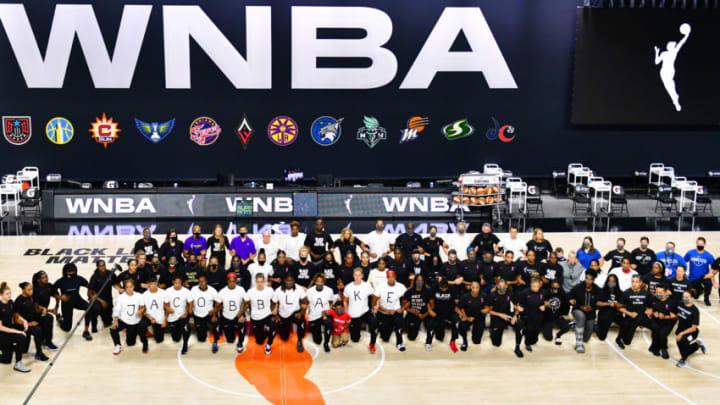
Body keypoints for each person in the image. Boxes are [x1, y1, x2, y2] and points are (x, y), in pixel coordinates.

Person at [54, 263, 97, 341]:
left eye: (73, 271)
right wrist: (60, 297)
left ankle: (86, 331)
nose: (71, 273)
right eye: (69, 271)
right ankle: (60, 319)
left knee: (90, 308)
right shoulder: (60, 281)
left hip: (77, 300)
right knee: (67, 328)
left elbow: (89, 286)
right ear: (65, 272)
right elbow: (52, 291)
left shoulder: (79, 279)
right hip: (66, 303)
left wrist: (91, 295)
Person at [343, 268, 379, 354]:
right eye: (355, 275)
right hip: (353, 314)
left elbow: (375, 296)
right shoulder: (348, 287)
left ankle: (372, 344)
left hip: (364, 312)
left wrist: (376, 306)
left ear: (362, 276)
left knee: (374, 322)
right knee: (355, 339)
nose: (357, 277)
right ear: (353, 276)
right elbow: (345, 301)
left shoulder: (366, 285)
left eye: (359, 275)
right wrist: (346, 314)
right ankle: (353, 334)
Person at [14, 282, 51, 361]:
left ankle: (44, 344)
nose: (31, 291)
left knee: (47, 318)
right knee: (36, 331)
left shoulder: (31, 297)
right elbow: (16, 319)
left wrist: (43, 308)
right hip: (22, 325)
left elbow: (35, 307)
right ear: (23, 290)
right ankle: (39, 353)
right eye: (29, 290)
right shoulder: (19, 301)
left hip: (31, 320)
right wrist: (29, 324)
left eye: (32, 289)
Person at [110, 279, 148, 355]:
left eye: (131, 287)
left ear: (133, 287)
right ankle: (117, 345)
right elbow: (116, 310)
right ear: (125, 288)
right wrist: (115, 320)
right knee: (113, 329)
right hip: (125, 321)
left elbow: (143, 307)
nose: (129, 289)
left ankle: (145, 343)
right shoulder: (121, 297)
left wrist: (141, 310)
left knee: (133, 340)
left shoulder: (139, 296)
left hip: (136, 321)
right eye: (127, 287)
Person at [513, 275, 548, 357]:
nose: (535, 288)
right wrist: (516, 312)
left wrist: (545, 306)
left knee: (534, 334)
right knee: (524, 329)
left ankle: (529, 342)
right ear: (530, 285)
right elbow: (517, 304)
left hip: (538, 315)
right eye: (533, 286)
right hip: (526, 315)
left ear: (540, 285)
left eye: (537, 286)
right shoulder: (525, 293)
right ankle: (520, 345)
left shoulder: (544, 292)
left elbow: (547, 302)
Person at [617, 274, 655, 349]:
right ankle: (619, 339)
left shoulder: (646, 293)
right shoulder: (626, 293)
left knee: (656, 327)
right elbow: (619, 307)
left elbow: (651, 306)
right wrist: (629, 313)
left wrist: (650, 310)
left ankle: (657, 345)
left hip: (642, 317)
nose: (634, 284)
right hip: (630, 317)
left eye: (636, 282)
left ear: (641, 282)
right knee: (627, 342)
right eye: (633, 282)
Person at [0, 282, 31, 372]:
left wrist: (24, 320)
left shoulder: (10, 302)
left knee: (7, 360)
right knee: (21, 337)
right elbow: (1, 327)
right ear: (1, 295)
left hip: (9, 332)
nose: (9, 295)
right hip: (2, 335)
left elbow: (15, 315)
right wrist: (18, 332)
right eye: (7, 294)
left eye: (10, 293)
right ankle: (18, 363)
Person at [568, 270, 601, 353]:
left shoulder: (597, 290)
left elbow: (600, 303)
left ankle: (581, 337)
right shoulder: (578, 287)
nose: (588, 281)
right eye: (586, 279)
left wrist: (592, 308)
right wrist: (577, 305)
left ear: (594, 280)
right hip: (578, 310)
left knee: (586, 338)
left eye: (590, 279)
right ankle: (579, 343)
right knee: (581, 317)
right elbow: (569, 298)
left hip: (591, 313)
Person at [374, 270, 407, 351]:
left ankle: (399, 343)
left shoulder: (401, 286)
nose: (391, 278)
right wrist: (387, 310)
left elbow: (407, 299)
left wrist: (402, 308)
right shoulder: (381, 287)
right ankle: (386, 331)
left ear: (395, 277)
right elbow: (375, 302)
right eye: (389, 277)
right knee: (385, 338)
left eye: (392, 277)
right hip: (384, 313)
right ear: (387, 277)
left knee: (399, 323)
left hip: (396, 312)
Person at [274, 274, 308, 353]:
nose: (289, 282)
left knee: (302, 321)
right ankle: (285, 329)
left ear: (294, 281)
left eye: (291, 281)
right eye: (287, 281)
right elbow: (275, 303)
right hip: (283, 314)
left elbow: (305, 301)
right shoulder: (278, 290)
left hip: (295, 313)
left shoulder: (299, 289)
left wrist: (301, 312)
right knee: (284, 337)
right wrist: (276, 315)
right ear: (284, 281)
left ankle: (299, 341)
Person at [215, 273, 248, 354]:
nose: (232, 283)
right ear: (227, 281)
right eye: (230, 281)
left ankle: (240, 343)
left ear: (236, 281)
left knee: (242, 323)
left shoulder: (241, 290)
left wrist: (241, 313)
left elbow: (247, 302)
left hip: (238, 316)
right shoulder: (222, 291)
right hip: (227, 317)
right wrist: (218, 313)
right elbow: (217, 305)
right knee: (230, 340)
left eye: (234, 281)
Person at [401, 274, 435, 351]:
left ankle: (428, 343)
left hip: (425, 313)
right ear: (415, 281)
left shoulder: (428, 291)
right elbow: (404, 306)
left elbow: (432, 306)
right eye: (418, 281)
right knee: (411, 337)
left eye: (421, 281)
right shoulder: (409, 292)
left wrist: (425, 314)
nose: (420, 282)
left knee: (432, 324)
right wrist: (414, 312)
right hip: (414, 313)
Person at [486, 278, 520, 353]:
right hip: (496, 316)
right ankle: (492, 331)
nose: (502, 288)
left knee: (518, 325)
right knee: (496, 344)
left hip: (507, 314)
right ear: (497, 286)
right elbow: (487, 310)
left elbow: (517, 305)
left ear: (507, 286)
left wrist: (515, 315)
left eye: (504, 287)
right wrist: (500, 315)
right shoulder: (492, 295)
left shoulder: (510, 293)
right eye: (500, 287)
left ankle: (517, 347)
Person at [246, 273, 278, 355]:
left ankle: (268, 344)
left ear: (264, 281)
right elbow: (245, 304)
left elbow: (276, 301)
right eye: (258, 282)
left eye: (261, 281)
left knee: (274, 325)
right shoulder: (250, 292)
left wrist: (275, 309)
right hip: (256, 317)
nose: (260, 284)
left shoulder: (269, 290)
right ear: (255, 282)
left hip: (267, 315)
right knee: (259, 341)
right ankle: (265, 331)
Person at [675, 291, 707, 368]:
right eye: (683, 297)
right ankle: (698, 344)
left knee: (683, 340)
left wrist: (681, 334)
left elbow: (694, 328)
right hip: (680, 329)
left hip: (691, 332)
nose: (684, 299)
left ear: (692, 298)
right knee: (683, 346)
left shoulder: (695, 311)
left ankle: (683, 359)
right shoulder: (680, 305)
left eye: (687, 297)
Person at [648, 281, 677, 359]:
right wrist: (653, 313)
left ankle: (664, 349)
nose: (658, 294)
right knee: (655, 329)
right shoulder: (653, 299)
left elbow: (675, 316)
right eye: (656, 292)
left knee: (662, 333)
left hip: (668, 321)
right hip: (655, 319)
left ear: (666, 292)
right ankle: (654, 347)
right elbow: (648, 308)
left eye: (660, 292)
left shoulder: (672, 302)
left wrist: (665, 317)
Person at [164, 275, 193, 354]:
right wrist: (168, 309)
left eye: (179, 283)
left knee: (185, 329)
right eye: (176, 283)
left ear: (181, 283)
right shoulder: (168, 291)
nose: (177, 285)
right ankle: (179, 332)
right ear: (173, 282)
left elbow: (190, 303)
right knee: (176, 339)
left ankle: (185, 344)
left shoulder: (186, 291)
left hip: (182, 316)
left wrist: (187, 312)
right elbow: (165, 304)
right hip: (172, 317)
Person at [306, 273, 334, 352]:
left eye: (321, 282)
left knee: (329, 324)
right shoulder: (310, 291)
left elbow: (331, 302)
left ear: (324, 282)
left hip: (325, 314)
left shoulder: (329, 290)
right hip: (314, 316)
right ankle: (319, 337)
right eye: (318, 281)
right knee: (317, 341)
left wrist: (329, 312)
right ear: (315, 281)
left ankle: (326, 343)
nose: (319, 283)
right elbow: (307, 303)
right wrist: (307, 314)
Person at [431, 278, 461, 352]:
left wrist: (460, 313)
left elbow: (457, 301)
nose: (444, 290)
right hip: (438, 312)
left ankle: (453, 341)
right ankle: (439, 340)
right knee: (439, 337)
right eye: (442, 288)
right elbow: (429, 300)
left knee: (456, 320)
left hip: (450, 311)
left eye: (445, 288)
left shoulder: (452, 288)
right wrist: (431, 311)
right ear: (439, 286)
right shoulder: (434, 287)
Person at [191, 274, 220, 350]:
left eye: (203, 281)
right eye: (199, 281)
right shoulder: (194, 289)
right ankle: (203, 329)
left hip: (208, 314)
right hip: (198, 314)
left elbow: (218, 303)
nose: (201, 283)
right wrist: (191, 308)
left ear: (206, 281)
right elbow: (190, 301)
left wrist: (214, 313)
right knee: (201, 339)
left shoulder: (212, 290)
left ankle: (215, 341)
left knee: (215, 324)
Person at [458, 279, 488, 351]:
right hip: (469, 316)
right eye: (473, 287)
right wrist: (466, 317)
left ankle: (474, 331)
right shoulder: (465, 296)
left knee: (476, 342)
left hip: (479, 317)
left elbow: (488, 306)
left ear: (479, 288)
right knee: (462, 325)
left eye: (477, 287)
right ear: (471, 287)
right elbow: (460, 307)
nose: (475, 289)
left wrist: (486, 310)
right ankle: (465, 341)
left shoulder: (484, 295)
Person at [685, 237, 716, 306]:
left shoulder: (708, 255)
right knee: (695, 296)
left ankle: (706, 298)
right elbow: (683, 262)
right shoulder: (690, 253)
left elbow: (715, 267)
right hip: (692, 277)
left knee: (708, 284)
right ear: (696, 244)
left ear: (704, 244)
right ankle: (700, 290)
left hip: (703, 276)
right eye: (698, 244)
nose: (700, 245)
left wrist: (711, 274)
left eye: (701, 244)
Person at [87, 260, 115, 329]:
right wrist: (101, 301)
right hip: (97, 298)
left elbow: (116, 282)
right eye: (100, 266)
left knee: (108, 322)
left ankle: (104, 316)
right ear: (97, 267)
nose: (102, 267)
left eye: (103, 265)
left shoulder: (110, 273)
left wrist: (121, 289)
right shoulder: (94, 277)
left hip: (108, 298)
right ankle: (94, 323)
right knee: (96, 309)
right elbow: (90, 292)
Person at [542, 280, 571, 345]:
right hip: (547, 317)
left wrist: (569, 303)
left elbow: (566, 304)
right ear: (551, 286)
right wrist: (544, 304)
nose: (555, 289)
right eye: (553, 287)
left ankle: (558, 335)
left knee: (567, 326)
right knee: (548, 338)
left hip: (557, 316)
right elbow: (539, 303)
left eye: (557, 287)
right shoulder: (546, 293)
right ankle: (543, 327)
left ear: (559, 287)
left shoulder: (562, 293)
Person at [596, 274, 624, 341]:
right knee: (602, 337)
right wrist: (608, 304)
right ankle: (595, 327)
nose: (611, 283)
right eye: (610, 281)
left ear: (616, 282)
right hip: (604, 313)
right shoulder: (601, 291)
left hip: (616, 313)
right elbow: (597, 303)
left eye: (613, 281)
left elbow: (623, 304)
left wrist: (617, 305)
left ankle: (620, 338)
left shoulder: (620, 292)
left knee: (626, 324)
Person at [142, 277, 166, 344]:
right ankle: (148, 329)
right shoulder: (144, 295)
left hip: (159, 318)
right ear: (148, 285)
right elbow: (142, 310)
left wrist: (165, 320)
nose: (153, 286)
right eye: (151, 284)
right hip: (149, 317)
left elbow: (167, 308)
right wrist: (151, 318)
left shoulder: (163, 293)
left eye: (155, 284)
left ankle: (153, 330)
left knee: (159, 340)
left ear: (157, 284)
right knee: (141, 324)